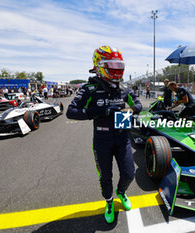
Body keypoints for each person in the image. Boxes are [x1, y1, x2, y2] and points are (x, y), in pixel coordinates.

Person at [66, 45, 142, 224]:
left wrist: (130, 109)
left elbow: (138, 105)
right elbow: (71, 112)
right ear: (99, 65)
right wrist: (101, 110)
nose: (116, 69)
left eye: (118, 65)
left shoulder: (124, 88)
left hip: (123, 138)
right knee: (105, 176)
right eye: (112, 65)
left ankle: (121, 193)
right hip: (102, 140)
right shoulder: (90, 88)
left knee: (129, 174)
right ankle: (109, 202)